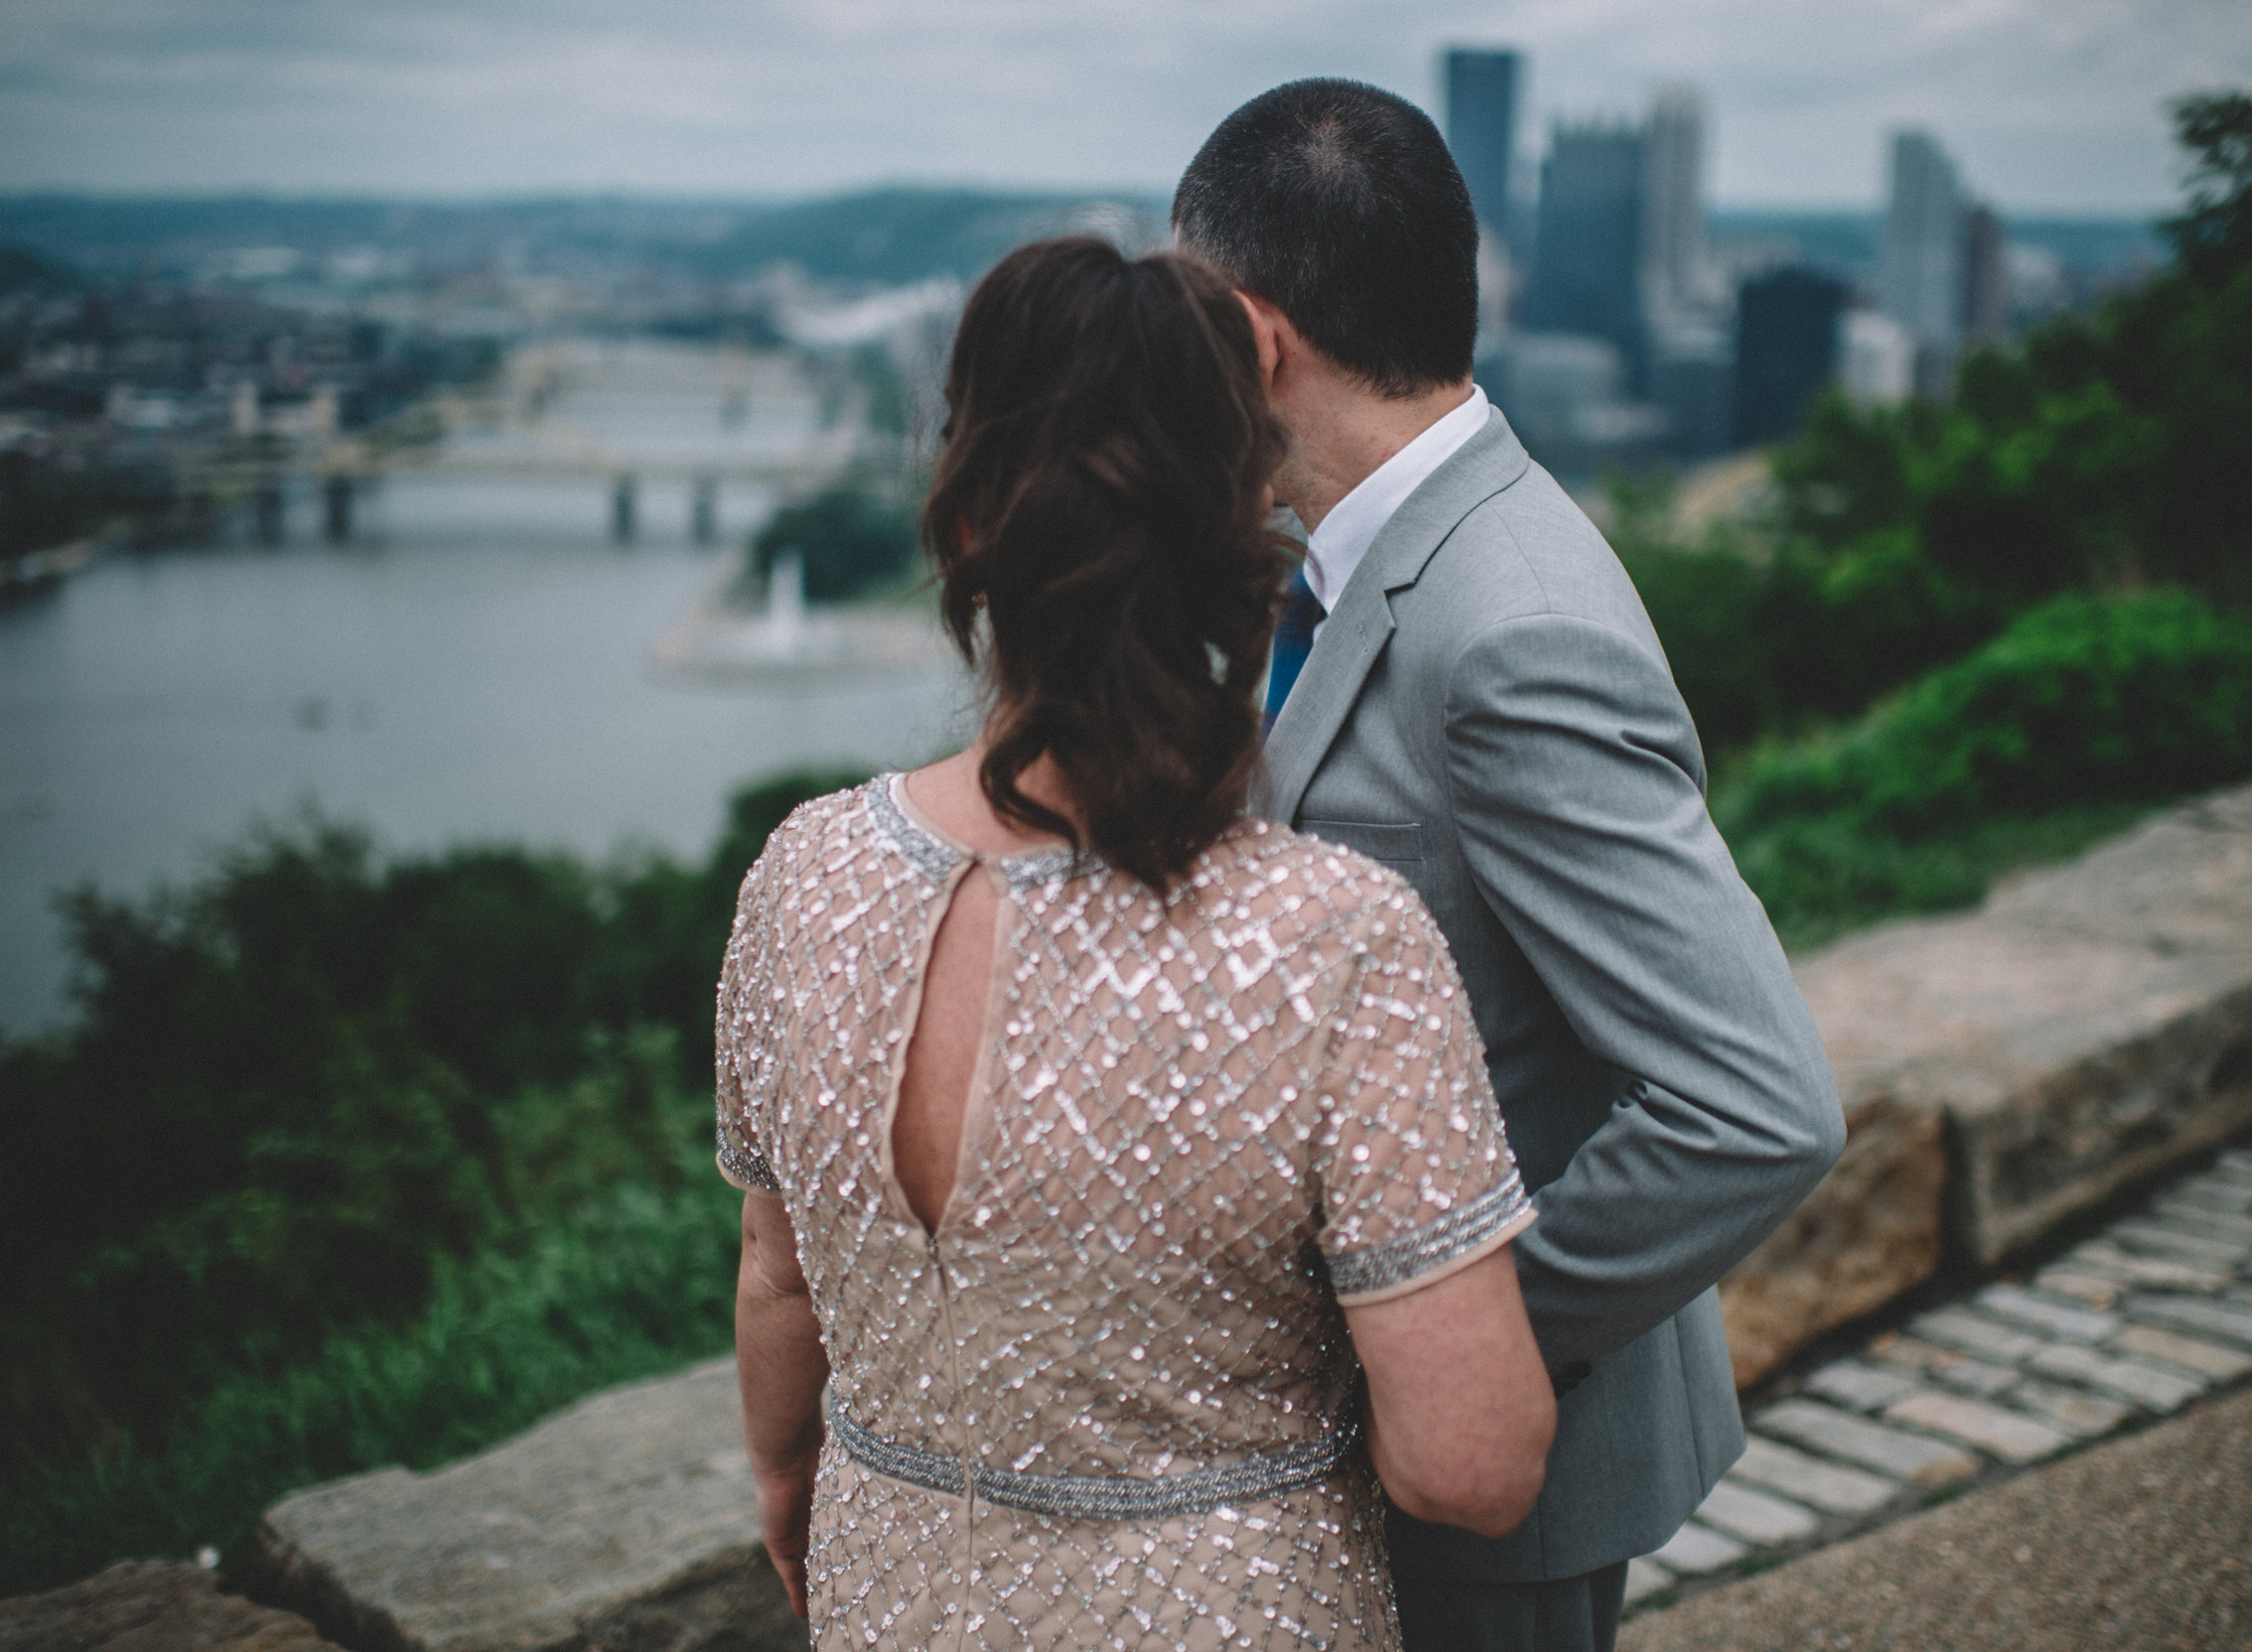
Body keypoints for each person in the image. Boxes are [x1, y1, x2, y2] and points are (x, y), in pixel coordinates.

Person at [719, 235, 1558, 1651]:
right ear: (1246, 512)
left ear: (970, 521)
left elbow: (779, 1279)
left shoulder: (803, 876)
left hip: (890, 1601)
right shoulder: (1335, 944)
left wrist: (791, 1475)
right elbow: (1469, 1468)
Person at [1173, 80, 1847, 1652]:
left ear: (1260, 341)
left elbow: (1756, 1104)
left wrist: (1440, 1347)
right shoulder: (1337, 560)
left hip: (1488, 1497)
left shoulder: (1514, 625)